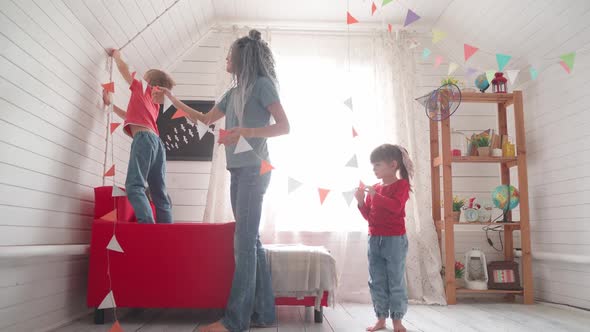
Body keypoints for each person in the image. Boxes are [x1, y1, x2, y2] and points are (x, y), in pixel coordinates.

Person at [160, 29, 290, 332]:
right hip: (238, 170)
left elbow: (284, 127)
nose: (225, 59)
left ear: (242, 59)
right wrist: (170, 97)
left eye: (229, 55)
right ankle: (265, 314)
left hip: (256, 171)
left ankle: (235, 321)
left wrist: (245, 132)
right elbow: (205, 119)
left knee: (243, 243)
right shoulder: (232, 94)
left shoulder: (262, 86)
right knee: (251, 241)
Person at [104, 48, 175, 224]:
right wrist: (111, 106)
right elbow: (131, 116)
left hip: (144, 139)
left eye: (144, 78)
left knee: (134, 186)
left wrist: (117, 55)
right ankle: (167, 231)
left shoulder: (142, 88)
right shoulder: (154, 104)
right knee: (159, 192)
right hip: (157, 144)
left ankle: (147, 228)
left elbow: (124, 70)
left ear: (149, 82)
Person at [355, 144, 415, 332]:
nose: (374, 169)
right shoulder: (375, 188)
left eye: (377, 165)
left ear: (393, 165)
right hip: (374, 240)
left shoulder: (402, 185)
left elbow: (396, 207)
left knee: (395, 280)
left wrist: (375, 195)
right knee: (376, 281)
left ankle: (397, 321)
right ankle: (381, 318)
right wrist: (360, 201)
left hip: (394, 240)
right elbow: (369, 216)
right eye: (373, 166)